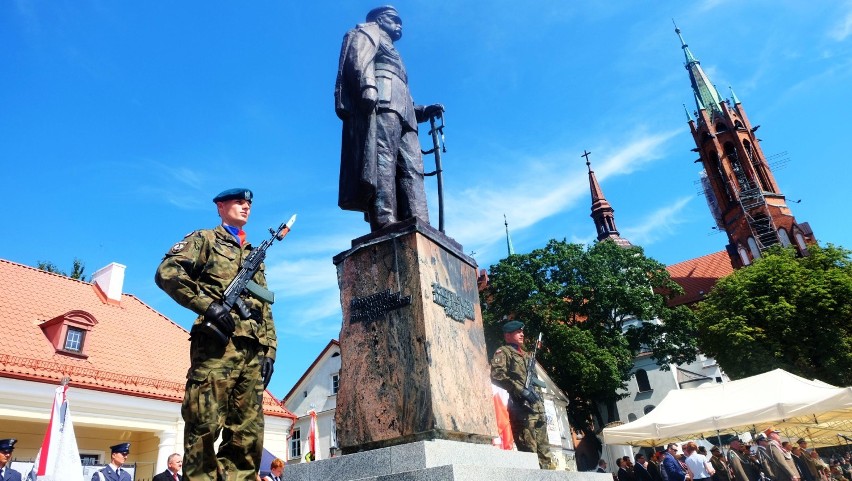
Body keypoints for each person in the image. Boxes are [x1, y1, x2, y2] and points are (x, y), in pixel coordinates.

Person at [155, 188, 278, 481]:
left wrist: (269, 349)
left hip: (251, 353)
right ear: (220, 207)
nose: (246, 206)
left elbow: (265, 307)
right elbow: (168, 273)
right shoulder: (204, 239)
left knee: (247, 436)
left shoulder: (253, 254)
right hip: (216, 349)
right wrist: (208, 306)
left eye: (248, 203)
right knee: (204, 427)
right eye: (238, 202)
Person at [334, 5, 444, 231]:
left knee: (413, 165)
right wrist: (367, 87)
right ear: (380, 19)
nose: (399, 24)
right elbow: (357, 60)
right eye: (394, 19)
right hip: (382, 101)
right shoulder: (367, 32)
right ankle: (384, 219)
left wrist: (421, 110)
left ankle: (419, 220)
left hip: (405, 110)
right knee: (383, 159)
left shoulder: (394, 50)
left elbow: (402, 87)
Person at [490, 320, 554, 470]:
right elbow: (497, 375)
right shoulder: (503, 352)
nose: (522, 334)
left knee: (545, 453)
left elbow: (534, 381)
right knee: (529, 454)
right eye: (518, 332)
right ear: (508, 335)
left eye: (522, 331)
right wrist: (521, 390)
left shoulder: (527, 355)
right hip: (522, 411)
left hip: (537, 409)